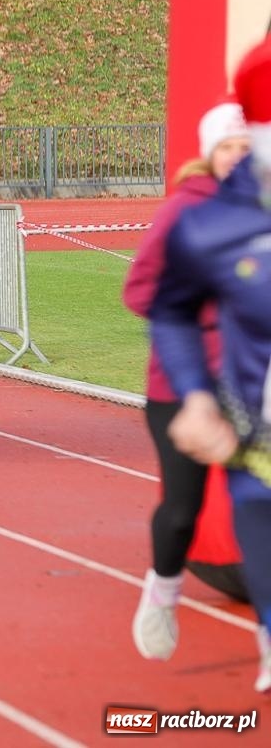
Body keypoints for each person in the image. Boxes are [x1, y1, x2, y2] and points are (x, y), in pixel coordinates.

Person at [149, 37, 271, 694]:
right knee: (196, 511)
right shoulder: (197, 223)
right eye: (230, 146)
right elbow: (155, 302)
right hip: (220, 408)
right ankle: (168, 590)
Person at [125, 100, 251, 660]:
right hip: (182, 388)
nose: (240, 158)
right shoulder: (184, 212)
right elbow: (140, 292)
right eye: (229, 147)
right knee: (183, 511)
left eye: (249, 147)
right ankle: (162, 589)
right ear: (210, 155)